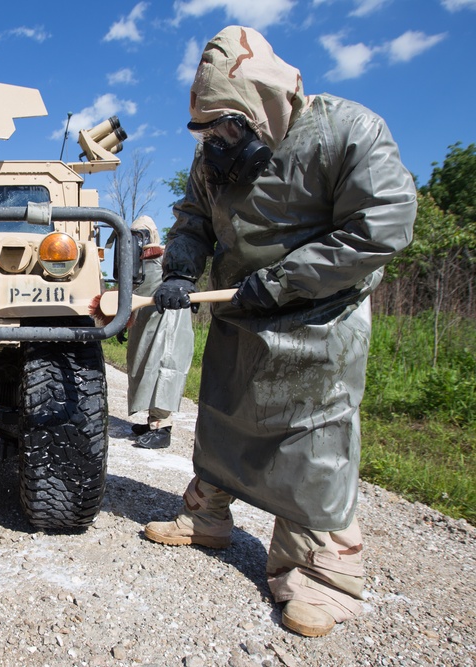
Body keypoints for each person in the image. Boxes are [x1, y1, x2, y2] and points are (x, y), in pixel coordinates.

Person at [143, 25, 416, 638]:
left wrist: (286, 279)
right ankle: (207, 517)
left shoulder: (350, 131)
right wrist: (182, 269)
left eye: (230, 126)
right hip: (240, 310)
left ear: (267, 105)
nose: (217, 141)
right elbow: (192, 219)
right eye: (206, 128)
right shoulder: (211, 157)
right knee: (222, 412)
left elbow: (383, 224)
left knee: (311, 438)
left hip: (320, 315)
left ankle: (320, 575)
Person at [124, 215, 194, 449]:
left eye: (141, 235)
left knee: (164, 366)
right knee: (144, 367)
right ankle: (151, 420)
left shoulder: (165, 261)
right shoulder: (136, 264)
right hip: (147, 324)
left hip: (169, 325)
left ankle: (162, 427)